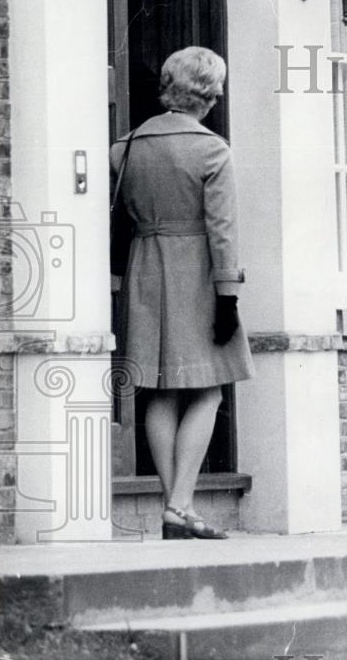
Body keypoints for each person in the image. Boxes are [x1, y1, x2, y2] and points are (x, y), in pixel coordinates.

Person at [111, 46, 254, 540]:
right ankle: (180, 504)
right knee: (210, 389)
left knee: (162, 390)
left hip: (145, 268)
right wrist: (228, 295)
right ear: (209, 95)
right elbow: (223, 229)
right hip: (196, 271)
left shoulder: (126, 146)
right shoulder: (212, 149)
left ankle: (177, 509)